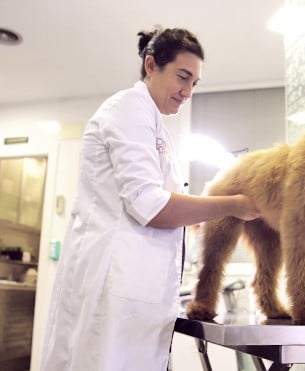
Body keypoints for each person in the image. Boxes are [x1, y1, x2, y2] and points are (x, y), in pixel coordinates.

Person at [41, 27, 261, 371]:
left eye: (194, 84)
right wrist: (233, 204)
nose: (187, 91)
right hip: (111, 282)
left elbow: (154, 201)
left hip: (133, 289)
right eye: (182, 77)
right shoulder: (127, 110)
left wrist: (193, 214)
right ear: (151, 65)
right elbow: (151, 206)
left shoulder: (152, 122)